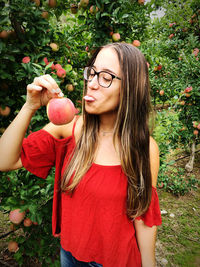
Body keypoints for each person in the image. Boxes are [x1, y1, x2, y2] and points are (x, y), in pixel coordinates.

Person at [0, 42, 162, 267]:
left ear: (131, 87)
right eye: (92, 73)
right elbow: (4, 159)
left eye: (106, 77)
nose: (92, 84)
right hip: (70, 254)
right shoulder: (69, 129)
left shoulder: (144, 149)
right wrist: (30, 106)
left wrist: (149, 264)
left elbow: (143, 216)